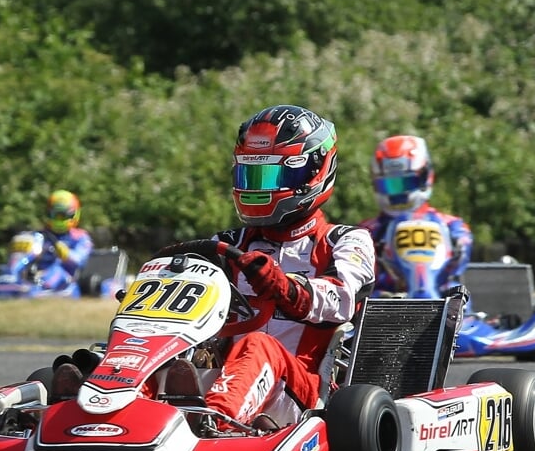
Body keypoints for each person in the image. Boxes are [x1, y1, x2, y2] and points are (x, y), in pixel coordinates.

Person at [55, 105, 375, 433]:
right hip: (223, 374)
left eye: (268, 176)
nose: (256, 187)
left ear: (313, 171)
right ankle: (104, 413)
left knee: (257, 344)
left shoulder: (345, 240)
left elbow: (341, 299)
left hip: (297, 391)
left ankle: (213, 423)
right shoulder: (227, 243)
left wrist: (282, 285)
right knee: (164, 342)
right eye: (249, 175)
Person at [360, 134, 473, 296]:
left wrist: (459, 245)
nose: (397, 193)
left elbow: (459, 264)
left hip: (442, 297)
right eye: (390, 185)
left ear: (425, 177)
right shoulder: (366, 231)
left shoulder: (452, 226)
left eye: (405, 183)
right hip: (384, 303)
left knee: (462, 302)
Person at [31, 189, 94, 289]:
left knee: (55, 272)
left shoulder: (81, 237)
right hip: (37, 273)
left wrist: (66, 254)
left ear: (73, 215)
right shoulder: (39, 235)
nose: (59, 219)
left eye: (62, 216)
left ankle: (40, 287)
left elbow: (80, 260)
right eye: (56, 215)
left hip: (66, 276)